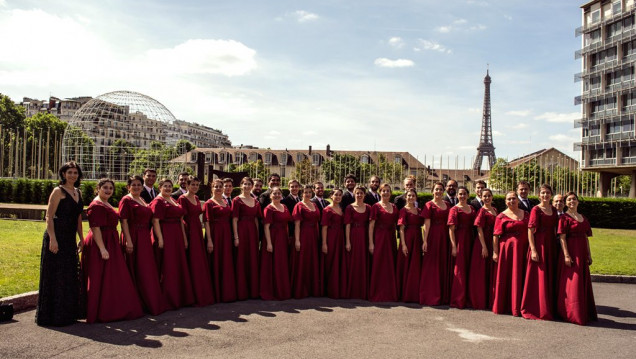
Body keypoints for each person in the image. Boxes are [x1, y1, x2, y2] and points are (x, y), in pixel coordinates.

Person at [82, 178, 143, 323]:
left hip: (110, 240)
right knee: (100, 276)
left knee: (111, 276)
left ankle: (111, 308)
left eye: (111, 188)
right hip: (101, 242)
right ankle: (100, 311)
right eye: (105, 188)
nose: (108, 190)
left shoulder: (105, 203)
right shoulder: (96, 205)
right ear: (98, 188)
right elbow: (95, 228)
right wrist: (102, 249)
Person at [36, 162, 85, 326]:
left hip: (70, 238)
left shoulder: (78, 192)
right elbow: (49, 216)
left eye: (75, 172)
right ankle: (53, 316)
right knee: (55, 274)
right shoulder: (58, 191)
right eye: (69, 172)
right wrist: (52, 239)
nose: (73, 175)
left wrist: (81, 237)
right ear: (63, 174)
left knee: (69, 275)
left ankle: (68, 314)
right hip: (56, 236)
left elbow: (79, 218)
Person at [119, 175, 165, 315]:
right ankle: (136, 302)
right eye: (133, 185)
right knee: (137, 268)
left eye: (139, 185)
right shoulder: (126, 200)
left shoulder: (142, 199)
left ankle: (148, 301)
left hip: (144, 236)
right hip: (133, 235)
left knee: (146, 269)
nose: (137, 187)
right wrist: (128, 240)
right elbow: (124, 222)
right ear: (128, 187)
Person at [150, 178, 195, 310]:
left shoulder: (173, 200)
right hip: (166, 234)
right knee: (168, 266)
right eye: (165, 186)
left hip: (177, 236)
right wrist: (161, 238)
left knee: (177, 265)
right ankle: (168, 298)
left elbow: (180, 220)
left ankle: (179, 296)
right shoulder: (158, 201)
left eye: (170, 186)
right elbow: (155, 221)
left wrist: (184, 239)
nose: (168, 188)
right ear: (160, 187)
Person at [556, 192, 597, 325]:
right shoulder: (564, 218)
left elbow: (586, 238)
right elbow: (562, 238)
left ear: (578, 202)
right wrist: (566, 255)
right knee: (573, 283)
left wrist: (589, 254)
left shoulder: (583, 218)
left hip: (582, 253)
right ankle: (571, 313)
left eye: (574, 199)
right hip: (571, 252)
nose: (572, 201)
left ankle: (584, 311)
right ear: (565, 203)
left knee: (582, 282)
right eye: (568, 200)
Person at [521, 184, 558, 321]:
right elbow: (530, 231)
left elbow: (555, 229)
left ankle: (549, 306)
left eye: (548, 193)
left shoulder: (554, 210)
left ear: (551, 194)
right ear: (538, 195)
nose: (545, 195)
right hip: (539, 244)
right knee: (538, 276)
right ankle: (536, 307)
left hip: (551, 245)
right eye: (542, 193)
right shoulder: (536, 210)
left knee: (549, 275)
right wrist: (534, 250)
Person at [178, 176, 215, 307]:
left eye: (196, 184)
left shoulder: (197, 198)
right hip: (188, 231)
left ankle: (200, 291)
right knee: (191, 260)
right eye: (192, 184)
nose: (195, 187)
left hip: (198, 231)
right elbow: (180, 220)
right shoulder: (182, 199)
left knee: (198, 261)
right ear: (187, 186)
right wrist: (184, 237)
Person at [492, 191, 529, 317]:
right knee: (507, 276)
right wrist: (495, 252)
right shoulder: (501, 216)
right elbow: (496, 236)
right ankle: (507, 304)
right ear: (505, 201)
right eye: (508, 199)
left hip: (523, 249)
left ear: (518, 200)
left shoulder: (526, 214)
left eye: (513, 198)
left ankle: (520, 305)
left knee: (521, 275)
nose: (511, 201)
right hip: (507, 251)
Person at [204, 179, 237, 303]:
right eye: (216, 186)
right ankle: (215, 292)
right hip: (215, 234)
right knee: (216, 261)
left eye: (220, 187)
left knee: (225, 261)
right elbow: (206, 222)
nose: (218, 188)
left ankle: (226, 292)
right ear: (212, 188)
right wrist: (209, 240)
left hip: (226, 234)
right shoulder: (208, 203)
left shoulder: (225, 202)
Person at [419, 182, 451, 306]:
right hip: (433, 236)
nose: (438, 191)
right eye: (436, 189)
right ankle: (429, 295)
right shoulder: (429, 205)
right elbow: (426, 225)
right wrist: (425, 240)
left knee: (443, 263)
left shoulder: (447, 204)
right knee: (431, 265)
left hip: (445, 237)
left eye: (440, 189)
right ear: (432, 191)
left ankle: (442, 295)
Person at [232, 177, 262, 300]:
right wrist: (236, 236)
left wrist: (257, 235)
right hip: (241, 230)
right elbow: (234, 219)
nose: (247, 186)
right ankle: (241, 291)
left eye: (249, 184)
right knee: (241, 259)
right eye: (245, 184)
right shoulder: (237, 200)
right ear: (241, 185)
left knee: (252, 259)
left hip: (252, 233)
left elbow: (256, 218)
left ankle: (253, 290)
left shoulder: (256, 201)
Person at [260, 187, 292, 300]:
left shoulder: (285, 207)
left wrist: (287, 237)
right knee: (273, 264)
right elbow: (266, 227)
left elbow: (287, 224)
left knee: (282, 263)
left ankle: (282, 289)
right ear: (270, 195)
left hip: (283, 237)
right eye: (274, 193)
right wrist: (269, 243)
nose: (277, 195)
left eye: (279, 193)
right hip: (272, 238)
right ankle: (273, 290)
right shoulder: (268, 209)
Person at [368, 183, 399, 302]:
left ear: (391, 193)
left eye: (388, 191)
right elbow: (371, 226)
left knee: (390, 264)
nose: (386, 193)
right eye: (383, 191)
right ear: (380, 193)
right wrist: (371, 243)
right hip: (379, 238)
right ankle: (377, 292)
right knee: (379, 264)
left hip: (390, 238)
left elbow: (397, 224)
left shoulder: (394, 207)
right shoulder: (375, 207)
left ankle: (390, 292)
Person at [448, 186, 477, 309]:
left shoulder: (471, 208)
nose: (462, 196)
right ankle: (458, 298)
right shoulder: (454, 209)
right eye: (460, 194)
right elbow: (451, 229)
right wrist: (454, 246)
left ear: (468, 195)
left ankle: (468, 297)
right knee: (459, 269)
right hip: (460, 240)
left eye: (464, 194)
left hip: (470, 239)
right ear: (457, 195)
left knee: (469, 269)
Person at [469, 188, 497, 310]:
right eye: (484, 196)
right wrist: (484, 246)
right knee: (480, 272)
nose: (487, 198)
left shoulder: (495, 210)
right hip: (482, 243)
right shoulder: (481, 211)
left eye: (488, 196)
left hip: (493, 242)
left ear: (492, 197)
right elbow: (479, 230)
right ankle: (479, 299)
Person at [291, 185, 321, 299]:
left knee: (311, 261)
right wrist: (297, 241)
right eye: (305, 192)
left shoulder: (314, 205)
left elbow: (317, 222)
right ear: (301, 194)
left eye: (309, 192)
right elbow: (297, 225)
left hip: (313, 235)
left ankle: (311, 288)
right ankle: (300, 289)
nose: (308, 194)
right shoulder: (298, 205)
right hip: (303, 235)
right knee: (302, 261)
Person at [397, 188, 423, 303]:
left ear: (416, 197)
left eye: (413, 195)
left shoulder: (419, 210)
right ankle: (404, 293)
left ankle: (413, 292)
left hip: (417, 239)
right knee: (406, 264)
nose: (411, 197)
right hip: (407, 238)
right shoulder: (403, 210)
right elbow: (401, 229)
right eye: (409, 196)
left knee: (415, 265)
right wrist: (403, 245)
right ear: (405, 197)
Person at [344, 186, 371, 300]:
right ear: (354, 194)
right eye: (357, 193)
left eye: (361, 193)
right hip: (354, 235)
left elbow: (371, 226)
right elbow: (347, 225)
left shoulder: (369, 208)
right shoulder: (349, 208)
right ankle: (353, 290)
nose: (359, 195)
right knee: (353, 262)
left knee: (364, 262)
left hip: (364, 236)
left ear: (364, 195)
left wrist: (370, 242)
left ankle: (363, 290)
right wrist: (348, 242)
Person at [321, 188, 347, 299]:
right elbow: (324, 228)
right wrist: (324, 243)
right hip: (331, 237)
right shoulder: (327, 210)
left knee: (338, 261)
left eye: (340, 195)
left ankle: (338, 287)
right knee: (331, 262)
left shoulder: (341, 208)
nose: (338, 197)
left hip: (340, 237)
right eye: (335, 195)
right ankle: (330, 289)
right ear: (331, 196)